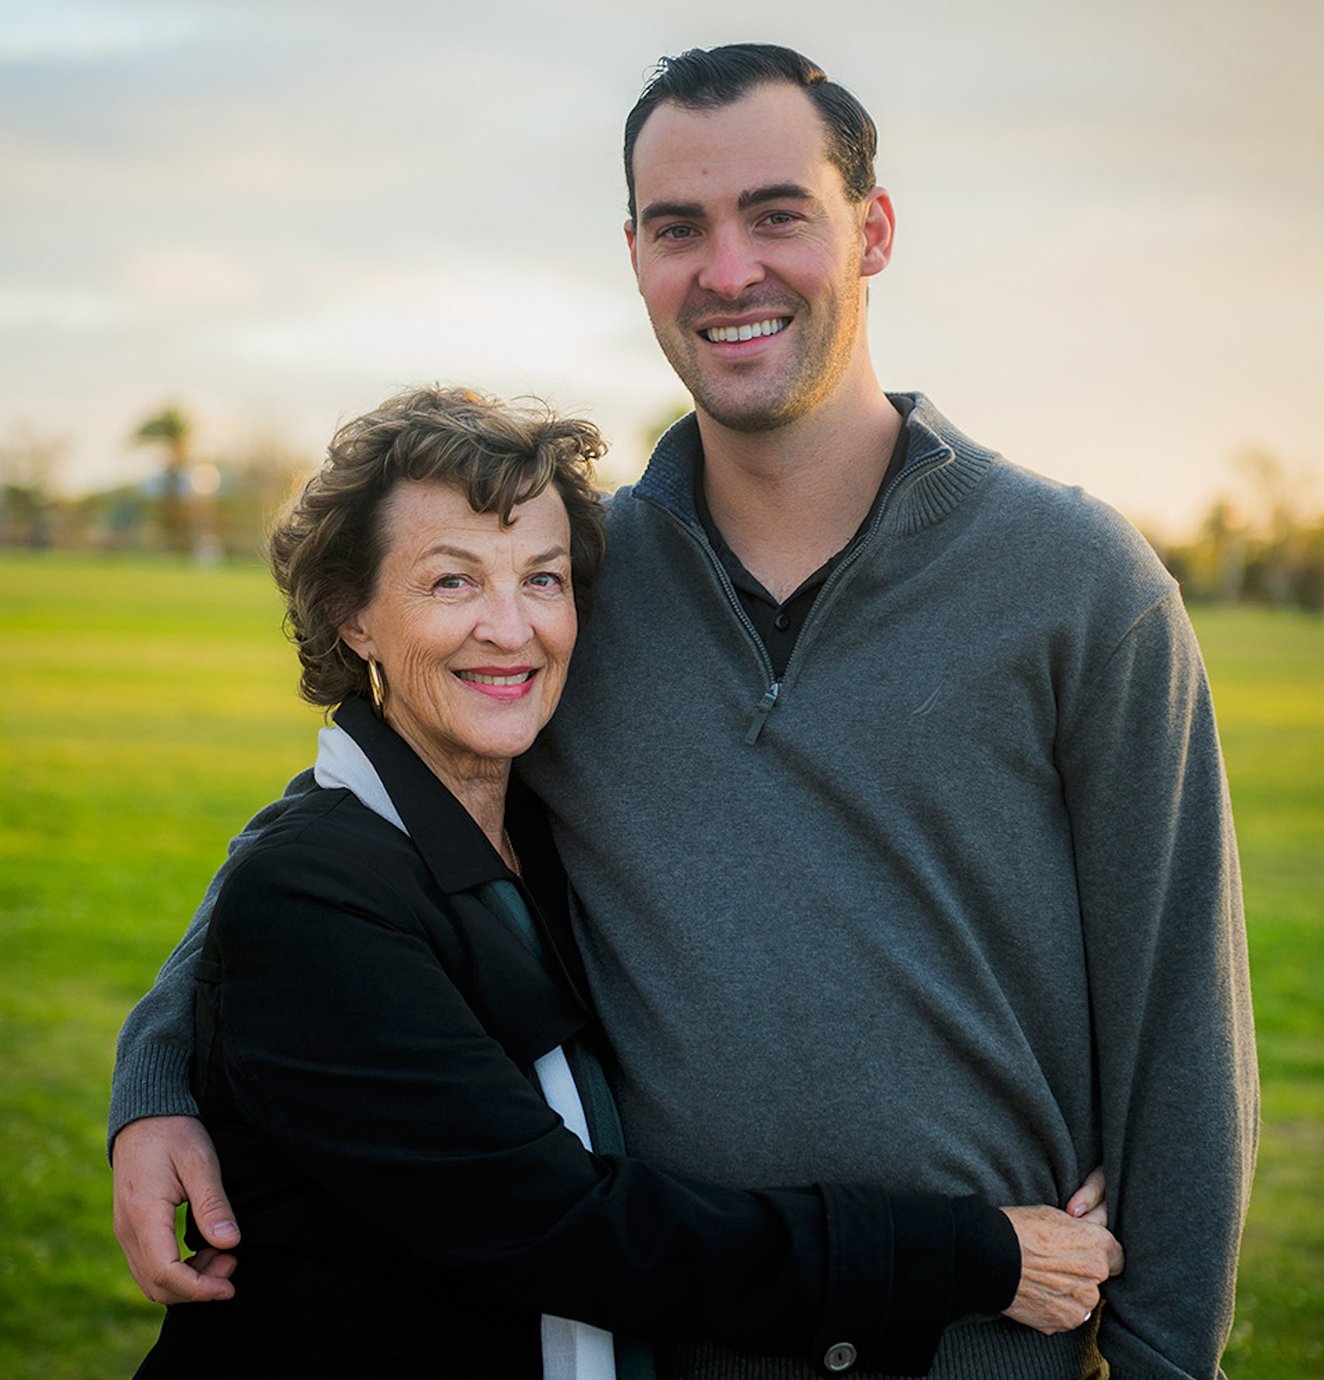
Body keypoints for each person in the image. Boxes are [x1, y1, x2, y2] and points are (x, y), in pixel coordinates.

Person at [111, 43, 1257, 1380]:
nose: (728, 271)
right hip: (675, 1341)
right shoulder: (579, 583)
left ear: (871, 230)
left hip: (986, 1340)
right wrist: (158, 1079)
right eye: (679, 228)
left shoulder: (1076, 584)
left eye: (778, 214)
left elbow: (1184, 1017)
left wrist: (1170, 1359)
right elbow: (344, 836)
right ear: (637, 255)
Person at [128, 385, 1121, 1378]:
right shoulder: (315, 893)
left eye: (544, 579)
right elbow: (570, 1232)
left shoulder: (539, 828)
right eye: (451, 582)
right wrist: (974, 1256)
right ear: (354, 618)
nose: (511, 629)